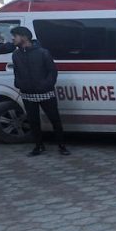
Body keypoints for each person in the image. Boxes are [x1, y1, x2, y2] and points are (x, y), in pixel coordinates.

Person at [9, 26, 69, 157]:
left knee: (55, 119)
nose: (13, 39)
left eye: (15, 36)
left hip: (45, 92)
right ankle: (38, 146)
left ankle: (62, 146)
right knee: (33, 121)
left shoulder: (43, 53)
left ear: (24, 37)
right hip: (27, 93)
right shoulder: (16, 55)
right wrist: (19, 84)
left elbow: (52, 72)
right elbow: (16, 72)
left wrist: (46, 85)